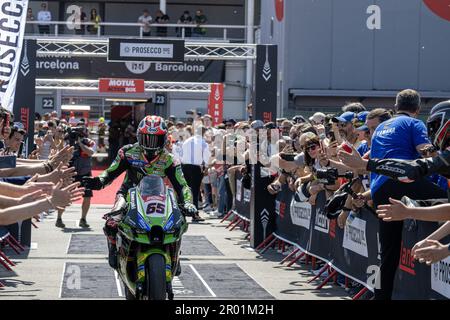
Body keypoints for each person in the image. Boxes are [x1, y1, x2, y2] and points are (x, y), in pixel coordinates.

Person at [352, 90, 447, 300]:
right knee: (445, 198)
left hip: (379, 188)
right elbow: (424, 150)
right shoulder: (415, 123)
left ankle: (380, 296)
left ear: (396, 107)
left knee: (387, 252)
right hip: (403, 180)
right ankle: (420, 213)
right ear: (418, 108)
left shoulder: (379, 129)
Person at [82, 116, 198, 269]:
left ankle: (175, 254)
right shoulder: (127, 152)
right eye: (147, 138)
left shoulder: (170, 159)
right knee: (112, 222)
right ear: (139, 136)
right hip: (128, 193)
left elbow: (182, 185)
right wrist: (98, 182)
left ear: (164, 139)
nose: (151, 144)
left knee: (177, 224)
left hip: (160, 196)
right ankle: (113, 248)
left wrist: (188, 202)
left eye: (155, 139)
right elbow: (111, 172)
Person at [57, 125, 96, 229]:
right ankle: (59, 218)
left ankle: (83, 219)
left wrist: (80, 144)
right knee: (65, 195)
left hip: (85, 173)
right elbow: (60, 153)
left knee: (87, 196)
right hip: (71, 172)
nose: (77, 136)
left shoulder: (89, 142)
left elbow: (91, 152)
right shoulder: (68, 141)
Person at [181, 125, 210, 219]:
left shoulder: (187, 141)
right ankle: (195, 213)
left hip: (184, 166)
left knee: (186, 189)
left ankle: (182, 213)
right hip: (196, 168)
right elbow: (206, 156)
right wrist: (206, 167)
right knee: (195, 191)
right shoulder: (203, 142)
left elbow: (181, 153)